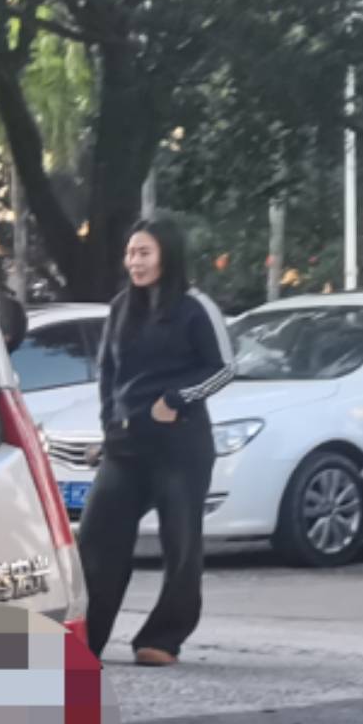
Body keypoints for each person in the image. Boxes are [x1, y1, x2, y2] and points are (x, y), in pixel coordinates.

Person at [78, 216, 235, 665]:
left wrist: (175, 400)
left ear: (167, 255)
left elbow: (223, 369)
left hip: (179, 446)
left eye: (144, 253)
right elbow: (108, 373)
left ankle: (162, 638)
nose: (135, 261)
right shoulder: (120, 307)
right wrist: (110, 424)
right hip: (125, 448)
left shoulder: (195, 307)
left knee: (180, 543)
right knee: (96, 540)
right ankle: (85, 638)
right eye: (131, 253)